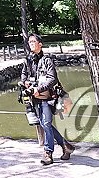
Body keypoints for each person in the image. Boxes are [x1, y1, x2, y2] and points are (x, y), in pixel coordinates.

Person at [22, 33, 74, 164]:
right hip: (33, 98)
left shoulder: (47, 60)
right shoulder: (27, 60)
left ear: (40, 44)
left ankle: (48, 153)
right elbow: (23, 76)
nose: (31, 44)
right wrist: (25, 83)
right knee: (45, 124)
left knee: (45, 123)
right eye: (29, 42)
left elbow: (52, 79)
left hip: (47, 97)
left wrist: (38, 89)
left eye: (33, 41)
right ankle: (65, 146)